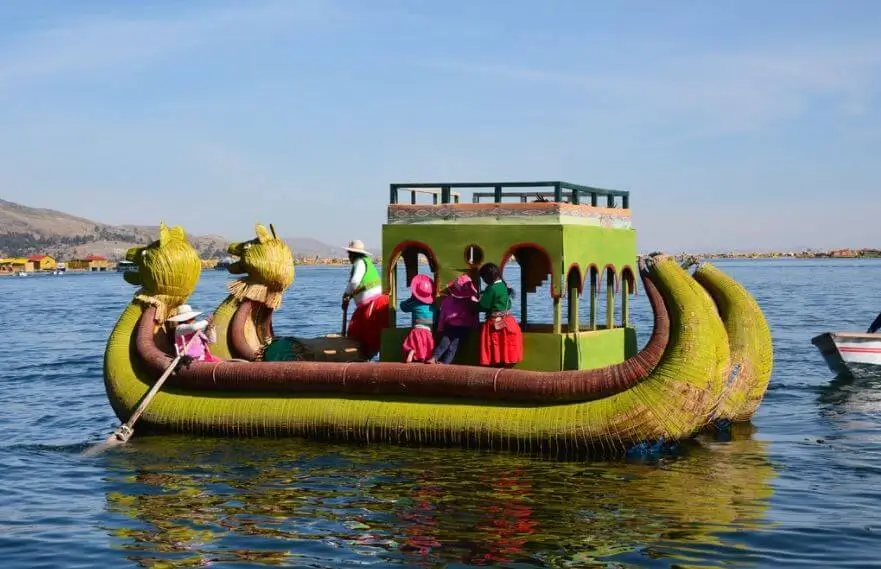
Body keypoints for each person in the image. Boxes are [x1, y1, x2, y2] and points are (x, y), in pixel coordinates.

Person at [342, 239, 390, 359]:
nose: (348, 257)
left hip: (374, 304)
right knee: (369, 334)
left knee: (360, 332)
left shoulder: (359, 262)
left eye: (349, 254)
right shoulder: (365, 261)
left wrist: (346, 294)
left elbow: (355, 282)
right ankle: (366, 359)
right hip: (372, 304)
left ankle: (362, 359)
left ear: (353, 254)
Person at [475, 263, 523, 367]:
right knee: (505, 347)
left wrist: (474, 303)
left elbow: (483, 306)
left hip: (495, 323)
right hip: (508, 320)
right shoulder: (503, 285)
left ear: (487, 277)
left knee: (494, 346)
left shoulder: (492, 288)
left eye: (483, 278)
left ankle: (496, 368)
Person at [427, 273, 479, 364]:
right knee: (453, 345)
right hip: (465, 327)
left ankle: (435, 358)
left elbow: (442, 316)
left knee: (445, 342)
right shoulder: (472, 300)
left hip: (451, 326)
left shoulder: (447, 300)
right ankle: (445, 362)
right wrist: (475, 326)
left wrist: (440, 328)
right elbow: (474, 314)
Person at [399, 274, 436, 363]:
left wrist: (411, 298)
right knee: (426, 348)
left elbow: (403, 307)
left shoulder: (414, 304)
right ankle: (422, 358)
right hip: (428, 331)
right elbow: (436, 318)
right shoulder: (433, 307)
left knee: (411, 345)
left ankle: (411, 351)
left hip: (416, 330)